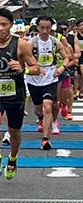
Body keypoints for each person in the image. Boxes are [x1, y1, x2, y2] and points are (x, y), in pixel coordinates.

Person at [0, 8, 41, 179]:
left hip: (15, 92)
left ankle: (12, 158)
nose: (0, 28)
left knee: (14, 131)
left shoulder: (20, 44)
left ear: (11, 25)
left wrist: (23, 69)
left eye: (4, 24)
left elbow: (36, 68)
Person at [26, 16, 69, 150]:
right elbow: (23, 60)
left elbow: (66, 57)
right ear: (37, 28)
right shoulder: (30, 43)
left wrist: (61, 68)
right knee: (39, 109)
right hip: (34, 80)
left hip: (50, 78)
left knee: (48, 105)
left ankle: (45, 138)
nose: (45, 30)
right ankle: (41, 118)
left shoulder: (55, 42)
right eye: (42, 27)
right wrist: (33, 69)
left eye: (48, 28)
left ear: (51, 28)